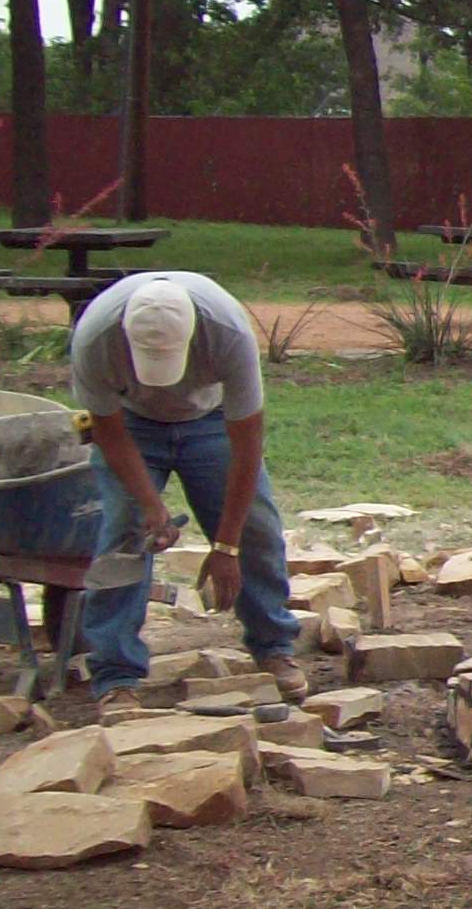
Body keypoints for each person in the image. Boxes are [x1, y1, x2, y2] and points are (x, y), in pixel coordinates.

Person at [70, 271, 305, 716]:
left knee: (256, 525)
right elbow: (110, 433)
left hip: (211, 419)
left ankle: (274, 646)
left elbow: (247, 445)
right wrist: (150, 505)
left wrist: (226, 545)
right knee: (122, 531)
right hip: (133, 424)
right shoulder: (94, 338)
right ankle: (116, 675)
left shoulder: (228, 331)